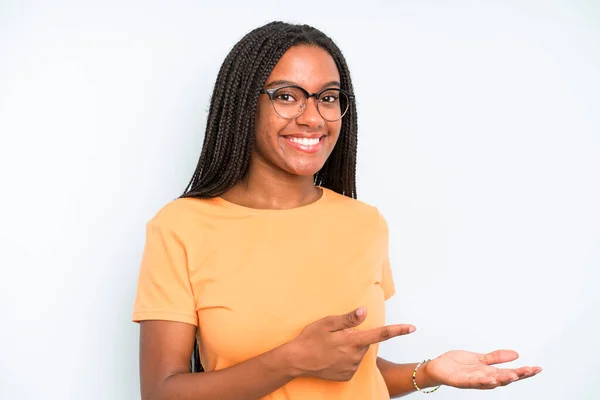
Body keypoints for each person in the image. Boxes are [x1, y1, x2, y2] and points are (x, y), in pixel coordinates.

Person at [132, 21, 541, 400]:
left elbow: (350, 369)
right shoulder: (182, 226)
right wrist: (291, 359)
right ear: (243, 105)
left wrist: (428, 371)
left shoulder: (364, 223)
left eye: (327, 97)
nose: (312, 118)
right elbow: (162, 391)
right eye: (286, 96)